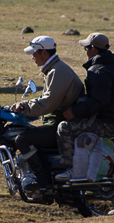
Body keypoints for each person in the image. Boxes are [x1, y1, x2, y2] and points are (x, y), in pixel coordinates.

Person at [8, 35, 84, 192]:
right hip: (58, 122)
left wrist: (24, 107)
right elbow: (48, 99)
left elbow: (49, 102)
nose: (33, 57)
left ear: (44, 52)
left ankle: (42, 179)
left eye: (34, 53)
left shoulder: (58, 71)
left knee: (22, 139)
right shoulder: (54, 69)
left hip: (63, 124)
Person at [55, 33, 114, 182]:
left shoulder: (98, 70)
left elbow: (99, 102)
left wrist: (74, 111)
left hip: (109, 124)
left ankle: (71, 169)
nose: (85, 51)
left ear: (93, 49)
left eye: (86, 48)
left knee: (64, 127)